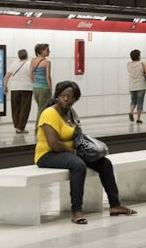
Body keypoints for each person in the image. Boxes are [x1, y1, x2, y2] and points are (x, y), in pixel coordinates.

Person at [35, 80, 135, 225]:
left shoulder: (71, 113)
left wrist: (81, 150)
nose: (66, 99)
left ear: (75, 99)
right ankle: (76, 211)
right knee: (78, 165)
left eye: (71, 97)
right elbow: (54, 143)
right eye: (63, 95)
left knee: (105, 164)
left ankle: (115, 205)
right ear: (57, 96)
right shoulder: (49, 113)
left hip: (69, 151)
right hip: (47, 154)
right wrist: (75, 152)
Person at [3, 48, 34, 133]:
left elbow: (6, 76)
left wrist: (5, 86)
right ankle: (21, 127)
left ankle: (17, 126)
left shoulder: (14, 63)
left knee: (15, 107)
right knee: (25, 108)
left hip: (14, 88)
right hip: (27, 88)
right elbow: (32, 76)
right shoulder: (29, 64)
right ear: (27, 55)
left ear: (19, 56)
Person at [127, 49, 146, 123]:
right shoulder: (142, 63)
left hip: (132, 85)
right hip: (141, 85)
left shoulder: (128, 64)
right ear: (138, 56)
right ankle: (138, 119)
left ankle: (131, 111)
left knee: (133, 101)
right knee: (140, 102)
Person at [29, 43, 52, 117]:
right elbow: (48, 77)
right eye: (47, 50)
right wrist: (50, 89)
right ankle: (37, 128)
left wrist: (34, 83)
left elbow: (30, 74)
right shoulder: (47, 62)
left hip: (36, 88)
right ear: (41, 51)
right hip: (44, 88)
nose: (49, 51)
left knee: (40, 107)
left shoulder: (33, 60)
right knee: (42, 110)